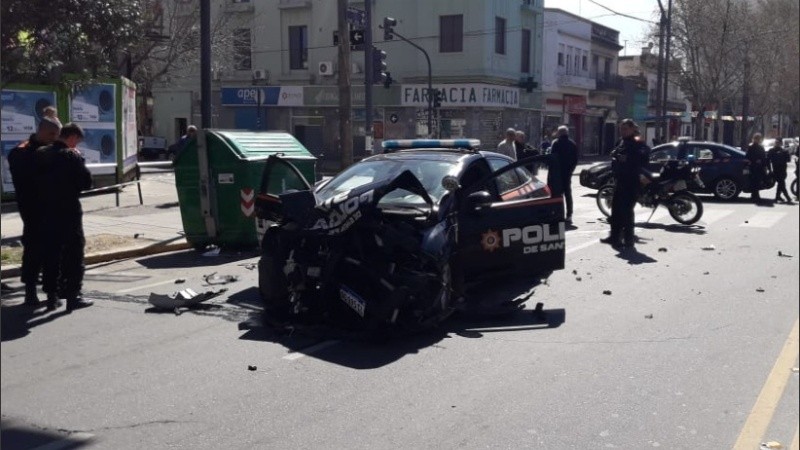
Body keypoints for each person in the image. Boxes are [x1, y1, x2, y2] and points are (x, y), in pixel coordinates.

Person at [35, 123, 94, 312]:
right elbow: (86, 182)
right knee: (74, 254)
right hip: (68, 211)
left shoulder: (40, 154)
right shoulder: (71, 156)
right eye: (77, 141)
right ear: (73, 138)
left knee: (51, 253)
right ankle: (73, 296)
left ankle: (52, 296)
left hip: (45, 211)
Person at [7, 116, 62, 306]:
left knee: (53, 254)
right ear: (41, 131)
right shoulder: (22, 151)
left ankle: (52, 294)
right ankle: (30, 292)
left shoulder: (56, 150)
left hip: (54, 210)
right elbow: (23, 174)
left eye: (57, 135)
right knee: (33, 252)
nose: (54, 138)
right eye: (51, 134)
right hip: (33, 211)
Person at [601, 119, 650, 250]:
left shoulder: (637, 142)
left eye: (625, 129)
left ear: (632, 129)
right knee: (616, 210)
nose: (622, 131)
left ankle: (628, 239)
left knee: (627, 212)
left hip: (631, 182)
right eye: (621, 129)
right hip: (620, 180)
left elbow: (643, 159)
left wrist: (630, 163)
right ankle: (614, 236)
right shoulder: (622, 142)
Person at [550, 125, 579, 224]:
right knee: (568, 194)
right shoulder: (573, 144)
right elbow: (575, 160)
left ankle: (558, 214)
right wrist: (571, 170)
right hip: (567, 173)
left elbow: (552, 158)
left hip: (557, 173)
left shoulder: (556, 143)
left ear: (559, 133)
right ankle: (569, 215)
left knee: (557, 194)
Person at [768, 138, 792, 204]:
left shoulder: (783, 151)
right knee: (782, 183)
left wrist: (787, 153)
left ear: (781, 143)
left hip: (783, 170)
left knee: (780, 184)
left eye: (778, 142)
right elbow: (768, 160)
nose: (777, 144)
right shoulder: (772, 151)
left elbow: (788, 160)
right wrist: (769, 169)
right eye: (776, 142)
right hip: (776, 170)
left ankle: (777, 196)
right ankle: (787, 197)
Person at [745, 133, 767, 204]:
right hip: (753, 166)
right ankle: (755, 195)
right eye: (756, 138)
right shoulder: (751, 147)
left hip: (759, 167)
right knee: (754, 181)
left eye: (758, 139)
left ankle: (755, 195)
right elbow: (747, 156)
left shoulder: (761, 147)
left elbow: (764, 157)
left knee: (758, 182)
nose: (757, 140)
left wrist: (762, 161)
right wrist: (754, 160)